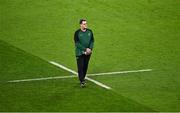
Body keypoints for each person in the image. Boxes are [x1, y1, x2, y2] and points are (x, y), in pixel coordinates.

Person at [74, 19, 94, 87]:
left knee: (85, 66)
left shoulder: (90, 31)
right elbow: (77, 44)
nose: (86, 25)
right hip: (79, 53)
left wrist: (90, 49)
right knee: (80, 67)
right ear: (81, 25)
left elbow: (92, 41)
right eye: (84, 24)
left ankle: (83, 79)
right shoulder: (77, 33)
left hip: (88, 52)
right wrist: (85, 49)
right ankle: (82, 81)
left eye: (86, 23)